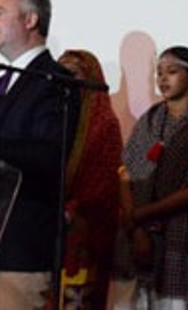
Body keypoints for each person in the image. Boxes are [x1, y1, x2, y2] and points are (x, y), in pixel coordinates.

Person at [0, 0, 80, 310]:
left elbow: (48, 156)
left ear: (30, 20)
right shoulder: (0, 80)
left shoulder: (55, 81)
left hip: (21, 248)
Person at [111, 46, 188, 310]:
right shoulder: (150, 119)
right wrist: (137, 227)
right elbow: (126, 175)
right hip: (135, 236)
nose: (162, 79)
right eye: (159, 73)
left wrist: (140, 216)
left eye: (171, 72)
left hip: (179, 239)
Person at [56, 49, 123, 310]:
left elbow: (104, 186)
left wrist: (71, 208)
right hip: (48, 231)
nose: (65, 80)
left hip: (85, 230)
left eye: (72, 74)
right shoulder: (55, 116)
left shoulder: (104, 123)